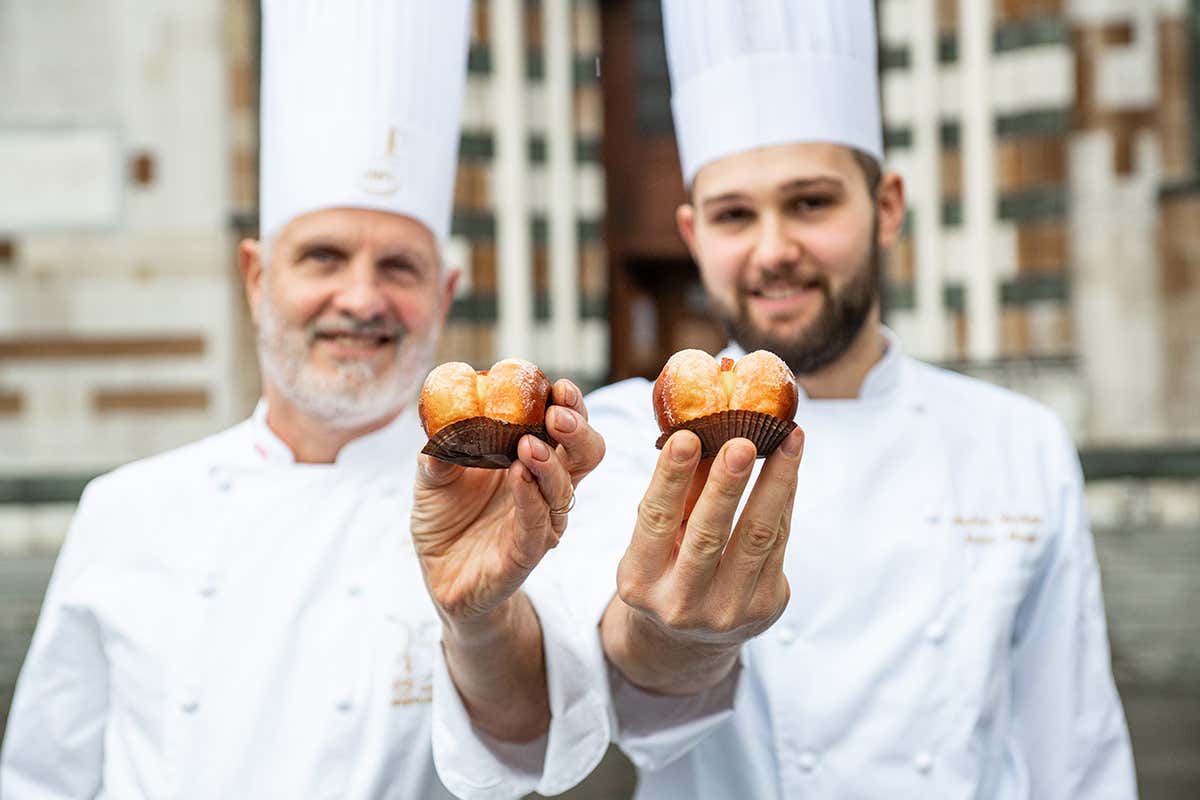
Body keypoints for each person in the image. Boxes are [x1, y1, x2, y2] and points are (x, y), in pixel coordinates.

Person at [438, 1, 1138, 798]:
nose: (774, 251)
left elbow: (1072, 742)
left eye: (811, 202)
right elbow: (580, 685)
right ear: (694, 236)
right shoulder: (628, 434)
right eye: (735, 215)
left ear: (886, 208)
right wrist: (649, 634)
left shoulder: (1021, 441)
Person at [0, 2, 608, 798]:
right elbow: (44, 779)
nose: (361, 298)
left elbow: (534, 750)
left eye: (400, 266)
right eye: (323, 257)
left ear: (447, 291)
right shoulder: (123, 513)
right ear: (256, 278)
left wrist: (480, 618)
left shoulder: (515, 510)